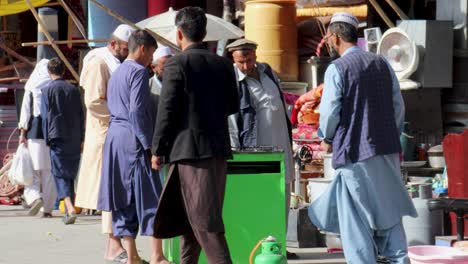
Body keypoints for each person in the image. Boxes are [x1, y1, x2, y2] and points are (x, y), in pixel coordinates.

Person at [307, 12, 417, 264]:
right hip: (387, 151)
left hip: (355, 154)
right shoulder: (382, 64)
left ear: (334, 37)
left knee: (355, 221)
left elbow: (330, 111)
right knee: (389, 214)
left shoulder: (337, 68)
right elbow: (398, 107)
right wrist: (388, 134)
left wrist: (326, 137)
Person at [151, 7, 239, 264]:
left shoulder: (177, 63)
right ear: (205, 32)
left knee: (205, 224)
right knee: (189, 220)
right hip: (216, 149)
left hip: (189, 152)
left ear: (179, 33)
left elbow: (166, 110)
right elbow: (233, 106)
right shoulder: (223, 64)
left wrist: (158, 149)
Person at [97, 30, 169, 264]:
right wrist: (150, 147)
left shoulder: (117, 72)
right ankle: (157, 256)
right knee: (150, 196)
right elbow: (137, 112)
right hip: (133, 139)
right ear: (142, 49)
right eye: (151, 53)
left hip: (115, 137)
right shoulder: (138, 72)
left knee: (122, 198)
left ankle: (132, 256)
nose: (151, 59)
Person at [225, 38, 295, 258]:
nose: (245, 66)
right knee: (261, 199)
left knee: (283, 196)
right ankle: (258, 246)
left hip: (281, 146)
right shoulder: (234, 82)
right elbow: (232, 122)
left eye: (248, 60)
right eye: (240, 62)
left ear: (255, 56)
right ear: (233, 60)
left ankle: (279, 244)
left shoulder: (269, 73)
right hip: (256, 151)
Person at [75, 24, 135, 263]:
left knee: (115, 189)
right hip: (105, 134)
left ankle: (116, 243)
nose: (126, 52)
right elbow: (94, 102)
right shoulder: (99, 63)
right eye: (124, 48)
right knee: (109, 190)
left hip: (117, 133)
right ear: (113, 45)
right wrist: (123, 113)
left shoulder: (117, 63)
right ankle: (113, 244)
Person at [41, 58, 84, 225]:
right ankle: (69, 208)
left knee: (59, 172)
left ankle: (69, 206)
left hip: (56, 134)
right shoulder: (73, 89)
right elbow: (81, 114)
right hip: (73, 135)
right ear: (63, 71)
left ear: (48, 72)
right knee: (70, 173)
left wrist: (46, 137)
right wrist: (81, 136)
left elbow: (46, 116)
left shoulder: (46, 91)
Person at [18, 59, 57, 218]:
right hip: (53, 132)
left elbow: (25, 111)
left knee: (33, 169)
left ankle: (35, 197)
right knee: (49, 172)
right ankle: (47, 209)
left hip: (35, 131)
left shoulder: (31, 86)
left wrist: (22, 133)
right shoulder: (54, 85)